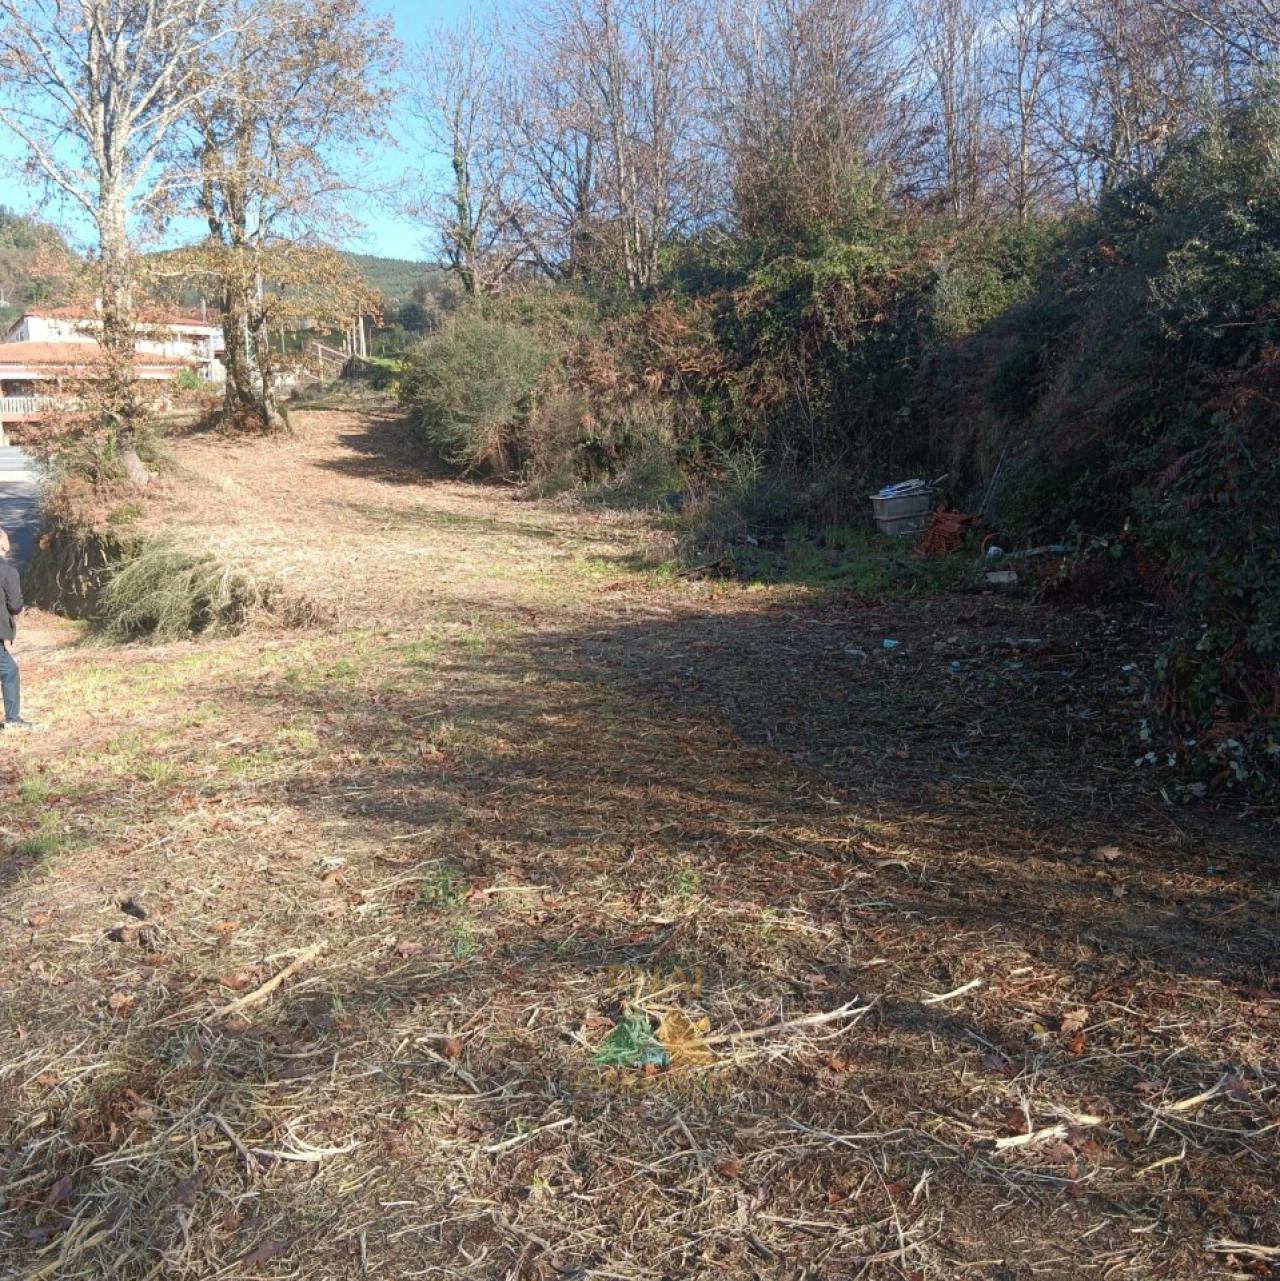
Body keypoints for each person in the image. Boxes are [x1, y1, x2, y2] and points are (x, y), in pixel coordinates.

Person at [0, 527, 33, 730]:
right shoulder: (7, 572)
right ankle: (12, 719)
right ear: (2, 544)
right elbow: (15, 605)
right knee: (9, 671)